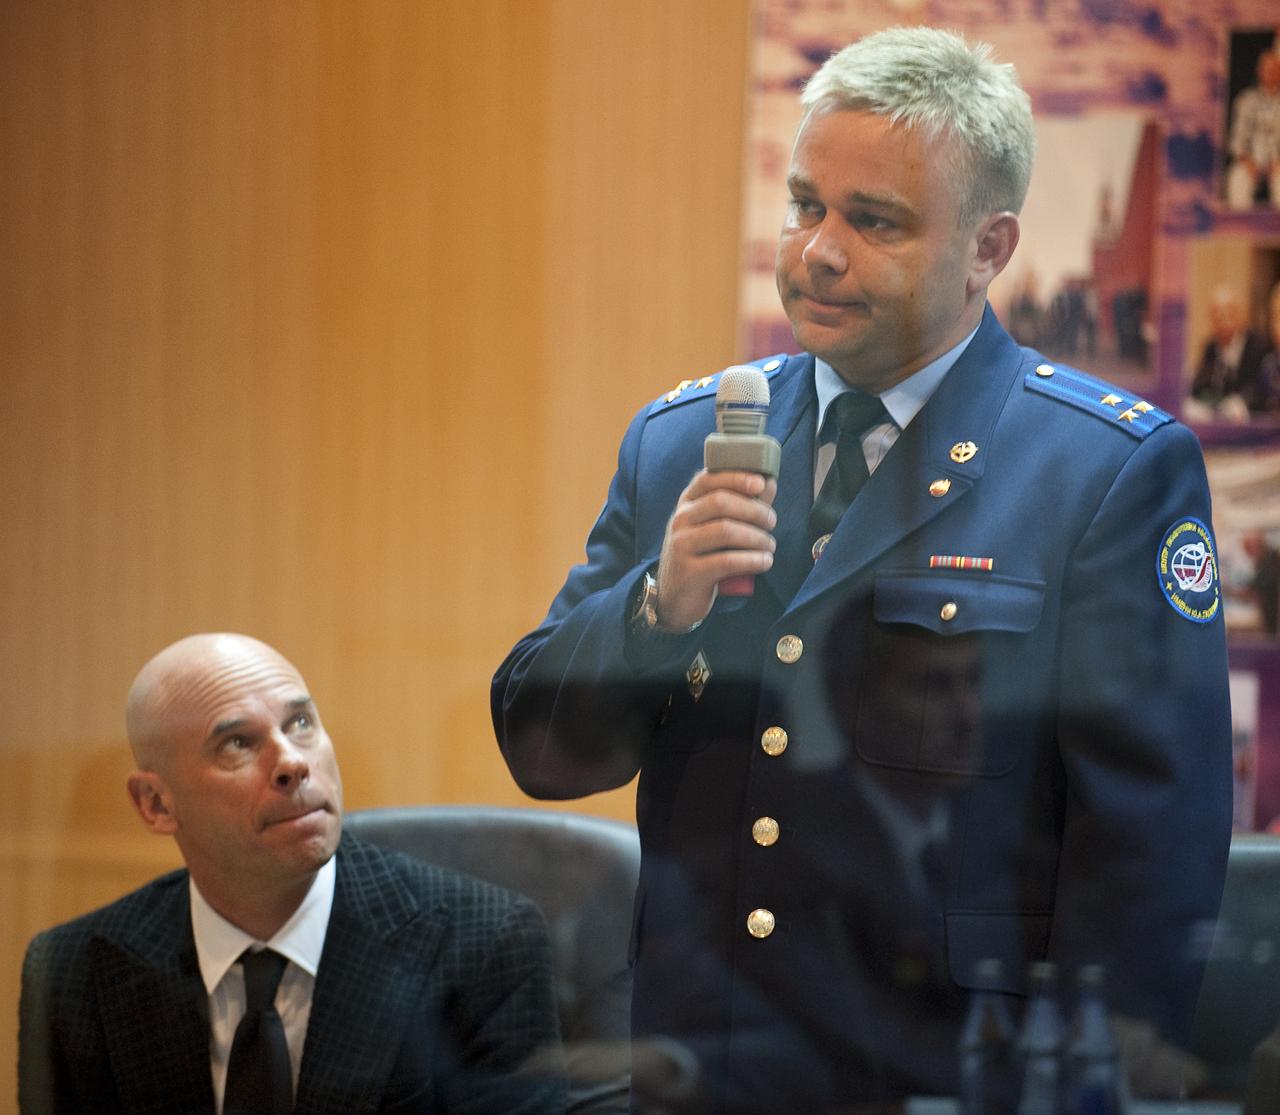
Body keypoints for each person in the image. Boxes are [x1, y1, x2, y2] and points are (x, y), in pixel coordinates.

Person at [492, 26, 1232, 1113]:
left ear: (988, 248)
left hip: (944, 1077)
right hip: (702, 1067)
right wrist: (659, 605)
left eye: (870, 220)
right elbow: (544, 751)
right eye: (802, 205)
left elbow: (1148, 867)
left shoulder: (1103, 472)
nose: (815, 251)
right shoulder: (680, 441)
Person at [21, 633, 567, 1115]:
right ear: (156, 804)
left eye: (301, 723)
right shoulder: (74, 973)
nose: (292, 762)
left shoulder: (485, 941)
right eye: (238, 742)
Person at [1187, 283, 1271, 421]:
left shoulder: (1258, 346)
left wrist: (1242, 401)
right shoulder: (1210, 347)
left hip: (1251, 423)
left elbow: (1261, 388)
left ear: (1240, 313)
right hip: (1217, 420)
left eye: (1228, 310)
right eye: (1216, 311)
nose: (1222, 316)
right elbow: (1199, 385)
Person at [1225, 47, 1280, 210]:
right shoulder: (1246, 100)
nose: (1270, 72)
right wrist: (1247, 161)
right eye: (1266, 68)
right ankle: (1241, 232)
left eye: (1274, 68)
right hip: (1251, 161)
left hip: (1278, 164)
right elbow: (1237, 138)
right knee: (1237, 179)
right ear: (1259, 71)